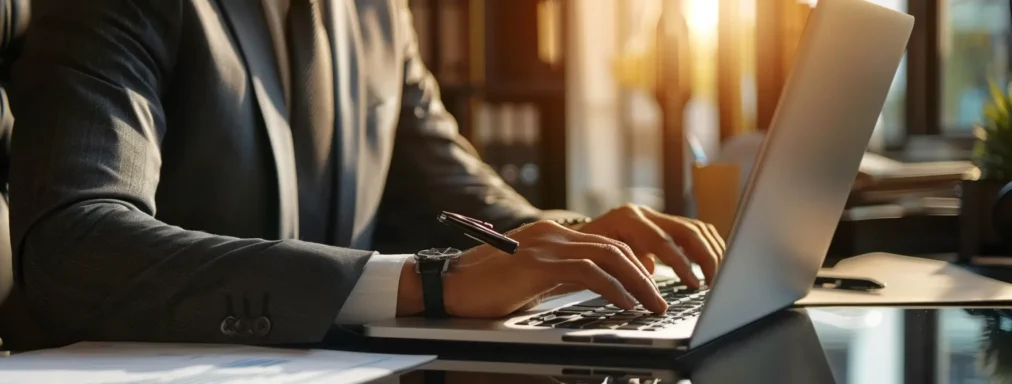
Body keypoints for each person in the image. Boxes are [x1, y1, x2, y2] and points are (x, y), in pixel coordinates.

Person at [7, 0, 724, 345]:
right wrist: (426, 283)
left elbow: (453, 190)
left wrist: (577, 241)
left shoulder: (377, 12)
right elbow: (75, 246)